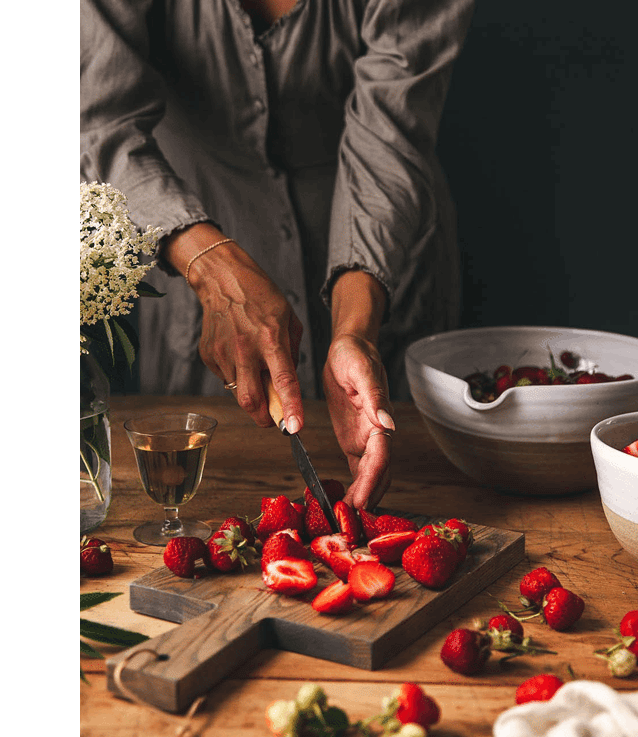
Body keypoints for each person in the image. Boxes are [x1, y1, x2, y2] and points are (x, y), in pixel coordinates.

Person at [80, 0, 475, 509]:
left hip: (386, 257)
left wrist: (354, 331)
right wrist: (210, 268)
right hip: (186, 248)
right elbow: (96, 120)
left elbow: (390, 137)